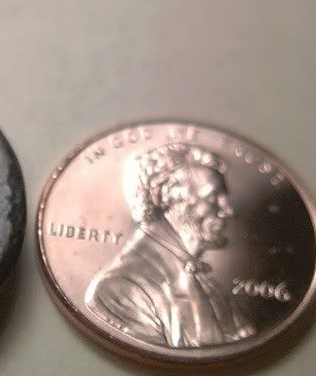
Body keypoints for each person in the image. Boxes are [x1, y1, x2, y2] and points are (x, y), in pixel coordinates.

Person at [84, 143, 255, 348]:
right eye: (212, 197)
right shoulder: (120, 289)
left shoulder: (204, 282)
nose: (228, 210)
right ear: (166, 198)